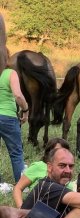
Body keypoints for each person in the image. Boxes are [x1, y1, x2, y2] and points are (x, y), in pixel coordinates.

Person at [0, 38, 29, 182]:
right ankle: (20, 183)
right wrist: (25, 110)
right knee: (16, 152)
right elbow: (18, 95)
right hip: (8, 118)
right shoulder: (10, 73)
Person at [13, 138, 71, 208]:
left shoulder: (67, 171)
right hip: (35, 209)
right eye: (57, 151)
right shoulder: (39, 166)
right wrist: (21, 209)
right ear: (48, 152)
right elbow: (18, 188)